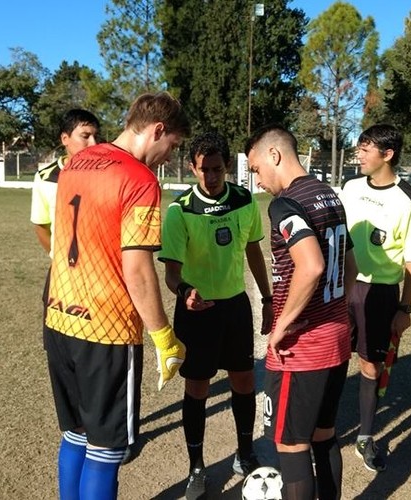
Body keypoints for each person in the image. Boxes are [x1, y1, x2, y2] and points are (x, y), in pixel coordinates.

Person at [43, 92, 190, 500]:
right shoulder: (139, 179)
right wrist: (164, 337)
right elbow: (138, 269)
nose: (169, 156)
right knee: (106, 449)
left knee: (75, 434)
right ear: (157, 130)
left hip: (59, 316)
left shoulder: (75, 162)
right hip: (105, 331)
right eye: (173, 145)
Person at [245, 124, 357, 500]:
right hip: (336, 338)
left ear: (274, 155)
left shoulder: (286, 204)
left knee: (292, 445)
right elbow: (351, 266)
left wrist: (282, 325)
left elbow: (311, 266)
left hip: (302, 348)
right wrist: (335, 309)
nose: (258, 180)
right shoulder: (329, 195)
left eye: (256, 169)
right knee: (324, 434)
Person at [158, 131, 273, 499]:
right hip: (196, 311)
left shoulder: (244, 200)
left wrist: (267, 298)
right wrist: (184, 292)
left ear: (227, 168)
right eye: (203, 169)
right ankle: (196, 467)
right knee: (198, 387)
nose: (210, 176)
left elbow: (254, 251)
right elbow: (171, 273)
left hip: (235, 307)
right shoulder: (180, 210)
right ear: (192, 167)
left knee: (244, 380)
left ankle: (245, 452)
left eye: (217, 169)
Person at [339, 124, 411, 473]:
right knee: (331, 358)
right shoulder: (350, 188)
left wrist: (405, 307)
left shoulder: (409, 200)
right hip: (343, 286)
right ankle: (324, 426)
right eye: (359, 147)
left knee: (369, 366)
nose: (359, 154)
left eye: (366, 149)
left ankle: (364, 437)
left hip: (380, 293)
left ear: (387, 154)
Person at [30, 109, 100, 255]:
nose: (93, 143)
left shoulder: (108, 175)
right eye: (85, 136)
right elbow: (41, 226)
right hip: (62, 266)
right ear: (65, 139)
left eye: (96, 137)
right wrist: (57, 257)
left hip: (101, 264)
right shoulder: (46, 177)